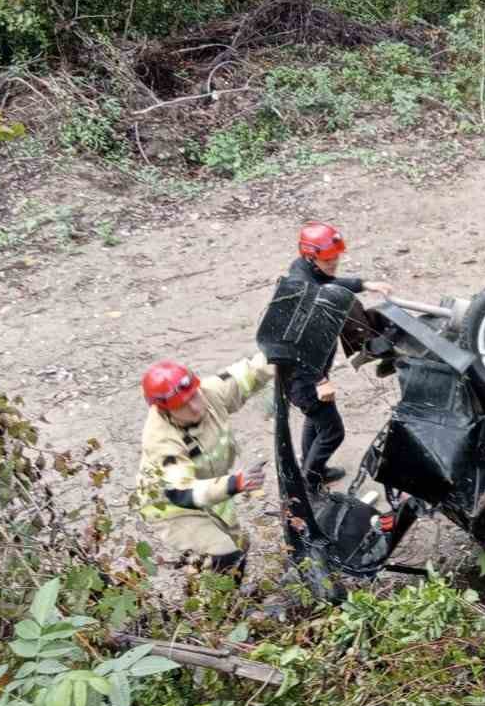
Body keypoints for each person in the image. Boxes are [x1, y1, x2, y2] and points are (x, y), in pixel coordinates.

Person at [136, 354, 273, 581]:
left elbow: (248, 373)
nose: (195, 406)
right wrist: (236, 483)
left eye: (194, 396)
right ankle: (209, 611)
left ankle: (231, 601)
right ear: (165, 411)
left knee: (239, 546)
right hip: (173, 509)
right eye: (183, 406)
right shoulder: (161, 440)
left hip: (211, 489)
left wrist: (279, 358)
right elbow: (181, 492)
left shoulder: (208, 392)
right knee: (223, 554)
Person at [286, 222, 391, 490]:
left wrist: (366, 284)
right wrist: (320, 380)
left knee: (316, 419)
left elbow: (331, 283)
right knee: (333, 432)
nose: (334, 263)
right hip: (304, 373)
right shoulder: (304, 293)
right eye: (328, 259)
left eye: (335, 258)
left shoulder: (306, 270)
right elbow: (300, 344)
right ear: (311, 256)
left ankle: (312, 470)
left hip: (306, 371)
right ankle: (309, 484)